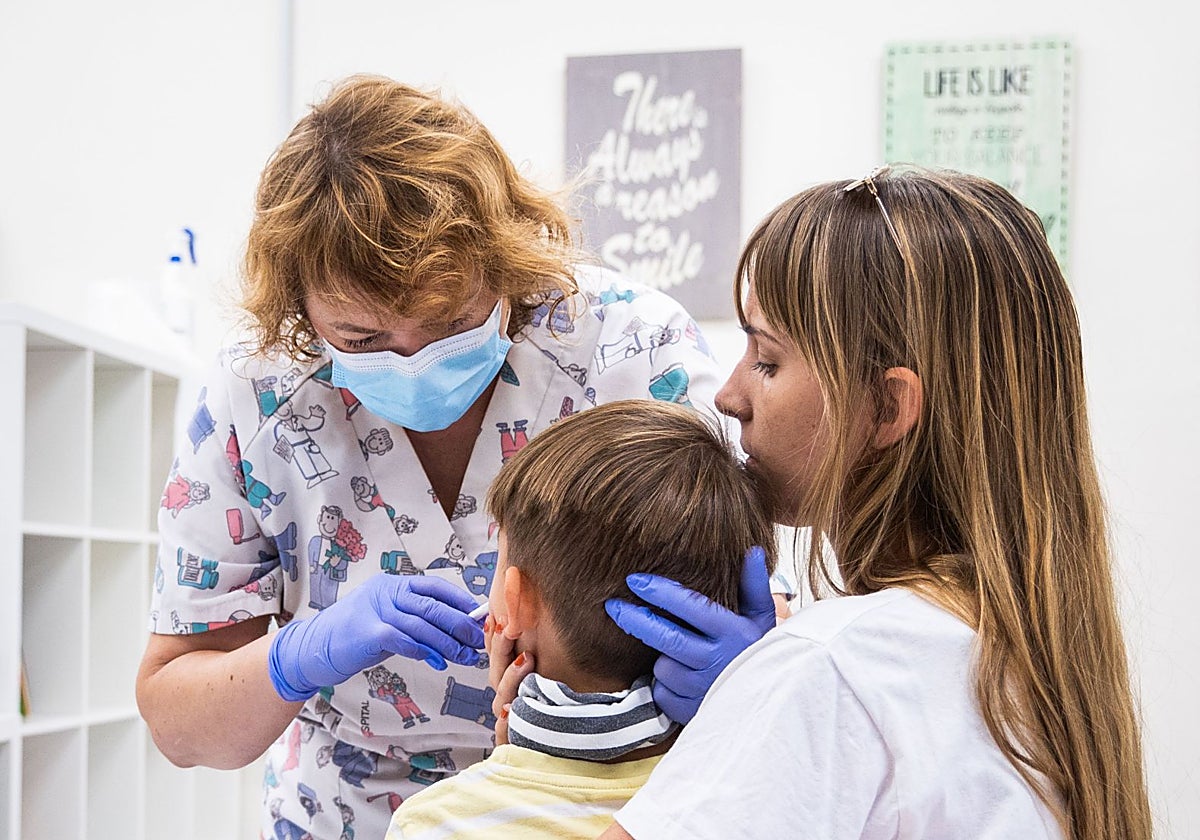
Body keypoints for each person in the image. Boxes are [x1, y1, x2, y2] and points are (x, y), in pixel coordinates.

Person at [133, 73, 724, 840]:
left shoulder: (628, 351)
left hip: (607, 811)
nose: (412, 361)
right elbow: (179, 723)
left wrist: (741, 677)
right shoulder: (258, 397)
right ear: (298, 307)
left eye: (450, 319)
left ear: (505, 258)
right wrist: (298, 656)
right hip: (348, 816)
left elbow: (750, 615)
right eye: (362, 339)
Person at [509, 166, 1150, 838]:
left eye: (767, 360)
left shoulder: (832, 668)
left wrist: (520, 768)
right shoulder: (1030, 657)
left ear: (885, 406)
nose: (729, 397)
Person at [384, 399, 776, 839]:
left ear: (515, 603)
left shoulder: (436, 823)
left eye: (498, 561)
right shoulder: (749, 798)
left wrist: (508, 773)